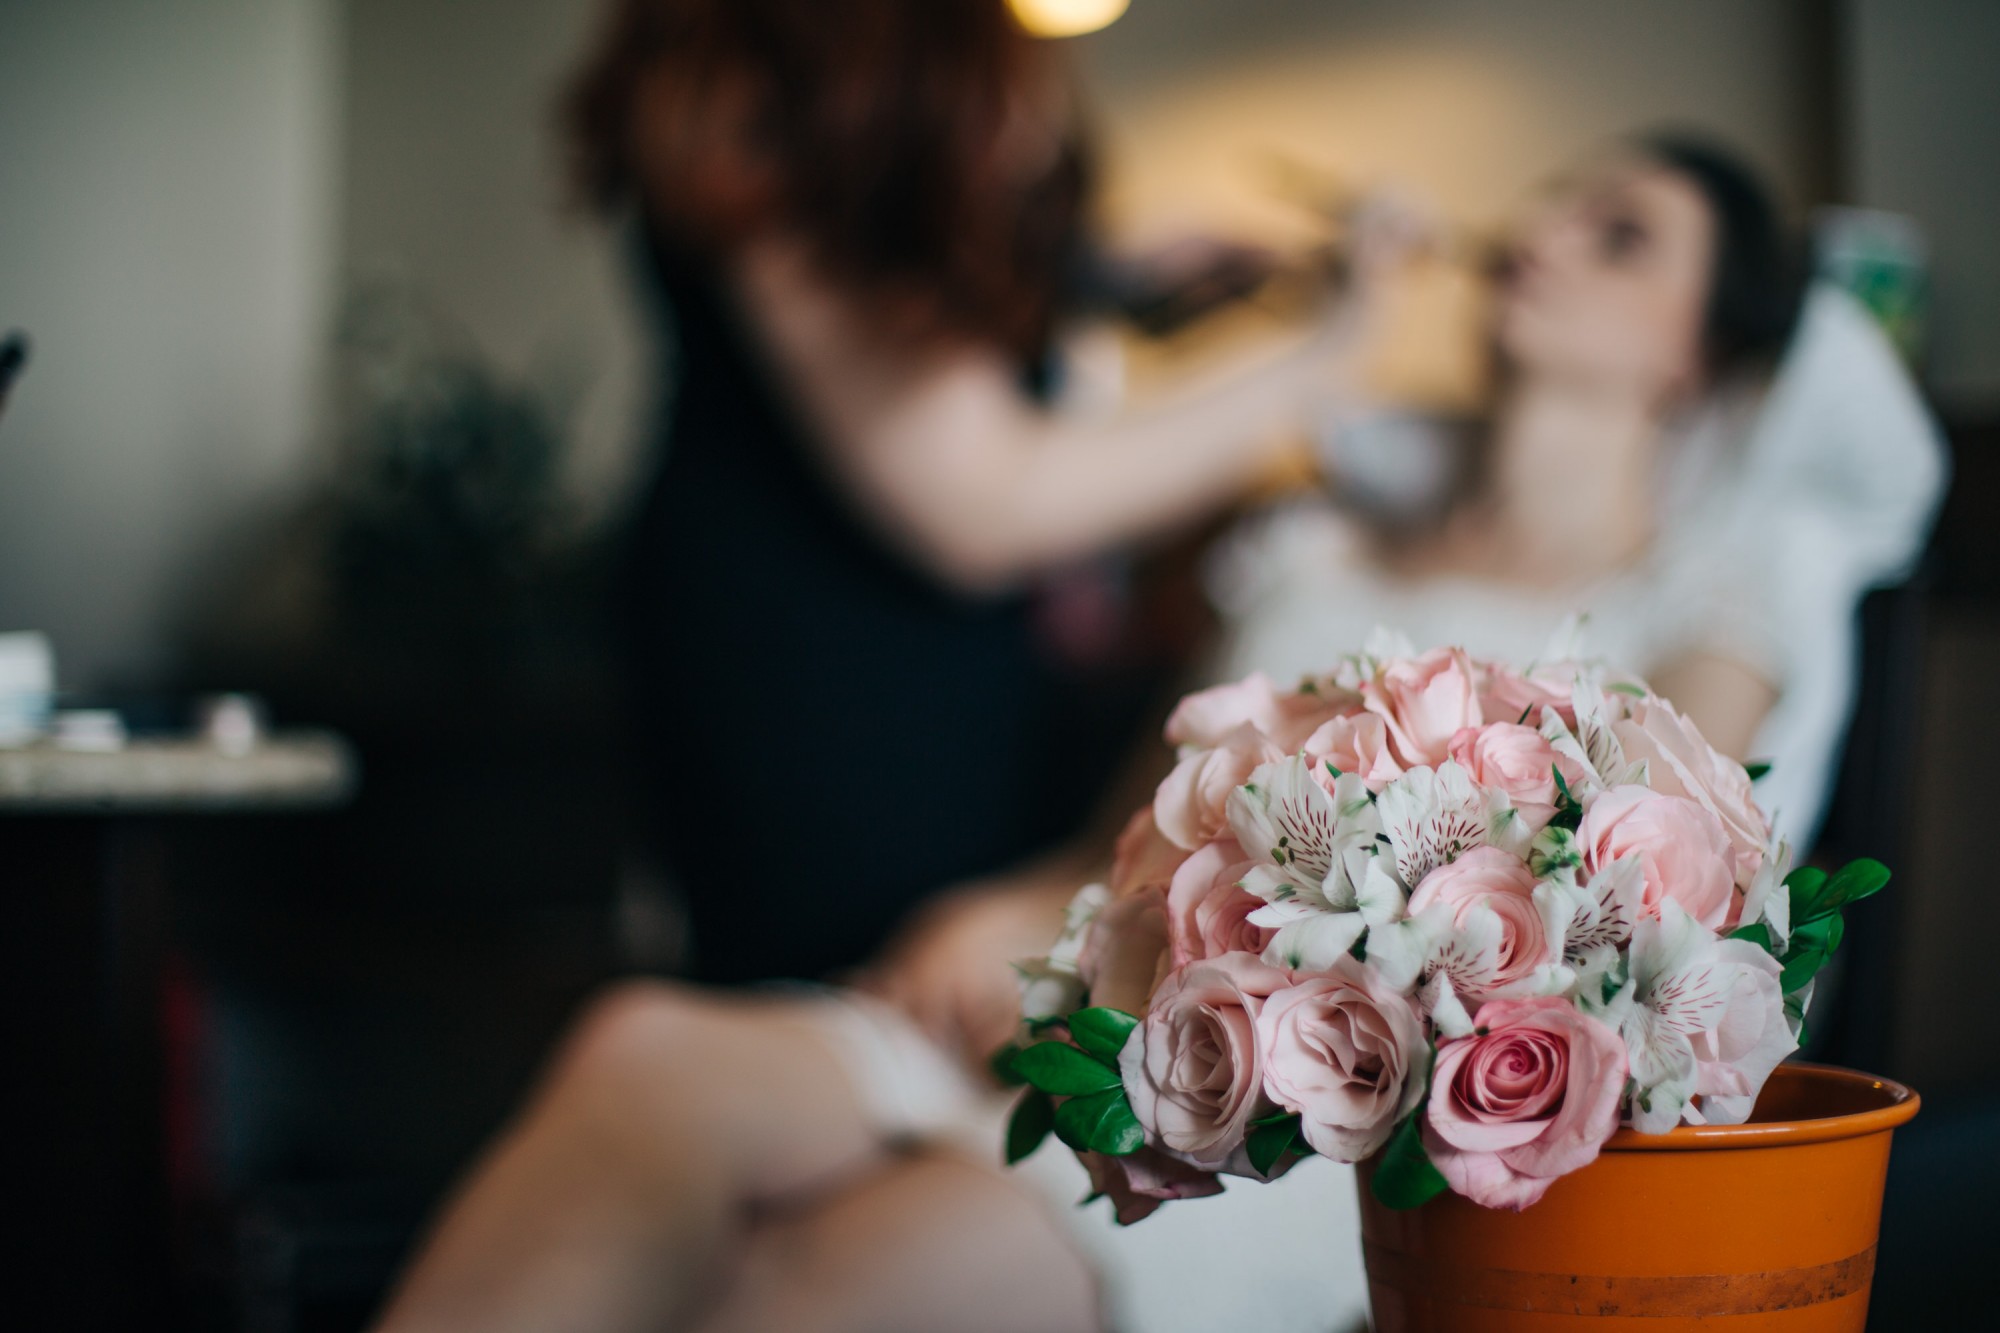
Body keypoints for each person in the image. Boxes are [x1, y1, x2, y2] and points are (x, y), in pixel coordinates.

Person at [375, 131, 1943, 1332]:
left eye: (1619, 236)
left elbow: (1633, 885)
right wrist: (1001, 917)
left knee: (813, 1272)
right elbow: (1125, 837)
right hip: (1104, 1002)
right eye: (1550, 203)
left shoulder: (1713, 598)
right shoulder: (1313, 557)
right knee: (646, 1054)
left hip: (1310, 1122)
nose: (1540, 234)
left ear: (1701, 351)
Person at [589, 0, 1376, 989]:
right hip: (820, 665)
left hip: (928, 647)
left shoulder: (883, 57)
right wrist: (1321, 360)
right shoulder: (767, 88)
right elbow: (984, 505)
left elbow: (904, 272)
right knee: (854, 1001)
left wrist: (1104, 283)